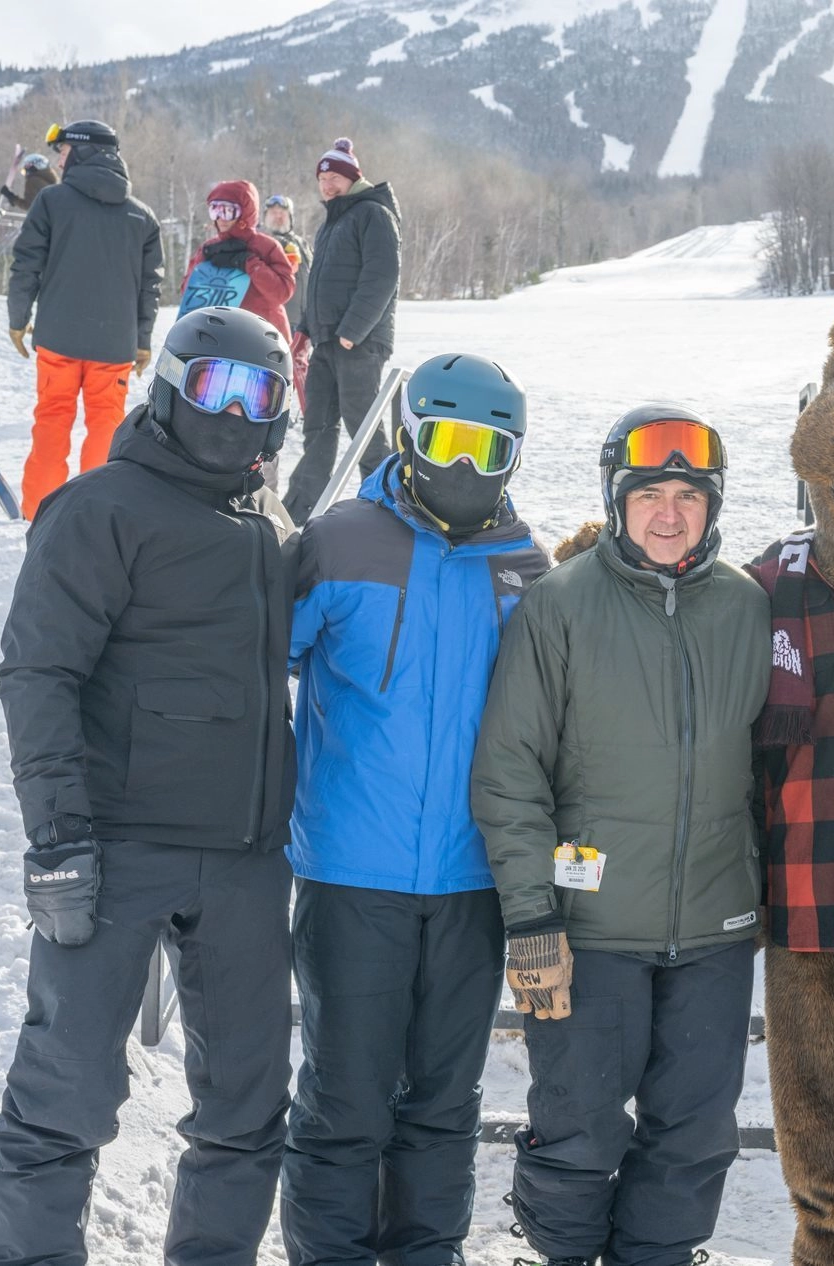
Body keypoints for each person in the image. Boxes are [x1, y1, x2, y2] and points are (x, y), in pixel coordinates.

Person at [0, 306, 299, 1266]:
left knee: (246, 1105)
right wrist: (58, 837)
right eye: (216, 388)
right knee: (67, 1091)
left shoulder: (274, 525)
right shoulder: (100, 507)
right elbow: (39, 673)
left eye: (260, 395)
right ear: (170, 386)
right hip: (117, 847)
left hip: (245, 858)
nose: (236, 413)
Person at [471, 404, 770, 1266]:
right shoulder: (560, 605)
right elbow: (510, 770)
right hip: (587, 930)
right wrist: (532, 916)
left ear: (713, 505)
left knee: (695, 1135)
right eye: (649, 493)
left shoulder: (747, 609)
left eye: (689, 494)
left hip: (714, 930)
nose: (669, 512)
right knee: (578, 1129)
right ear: (615, 498)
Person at [278, 352, 550, 1265]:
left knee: (443, 1106)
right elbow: (247, 666)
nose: (467, 469)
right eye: (447, 443)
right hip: (354, 872)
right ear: (407, 434)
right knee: (346, 1101)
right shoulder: (339, 540)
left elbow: (554, 725)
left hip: (471, 885)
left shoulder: (524, 566)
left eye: (490, 450)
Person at [7, 119, 163, 519]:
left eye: (63, 151)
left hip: (58, 340)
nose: (59, 159)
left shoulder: (51, 201)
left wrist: (18, 317)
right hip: (113, 349)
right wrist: (142, 340)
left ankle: (37, 517)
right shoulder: (142, 217)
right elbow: (150, 287)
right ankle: (92, 521)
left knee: (52, 425)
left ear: (83, 151)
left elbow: (27, 263)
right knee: (107, 430)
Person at [282, 138, 402, 525]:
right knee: (317, 427)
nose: (327, 185)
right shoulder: (332, 224)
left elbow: (382, 276)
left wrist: (352, 331)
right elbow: (320, 282)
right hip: (326, 341)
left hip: (358, 343)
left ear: (354, 177)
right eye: (322, 178)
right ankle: (300, 510)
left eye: (334, 177)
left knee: (363, 429)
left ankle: (387, 509)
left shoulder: (373, 213)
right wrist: (304, 329)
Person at [181, 180, 296, 339]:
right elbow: (188, 293)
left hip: (264, 337)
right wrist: (204, 268)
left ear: (245, 213)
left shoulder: (266, 247)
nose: (221, 218)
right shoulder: (209, 248)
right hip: (221, 337)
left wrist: (250, 263)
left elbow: (282, 293)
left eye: (228, 211)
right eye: (215, 210)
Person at [261, 193, 311, 336]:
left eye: (282, 213)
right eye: (273, 213)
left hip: (304, 322)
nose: (278, 217)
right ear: (265, 217)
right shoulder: (261, 243)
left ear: (290, 217)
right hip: (274, 320)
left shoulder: (302, 244)